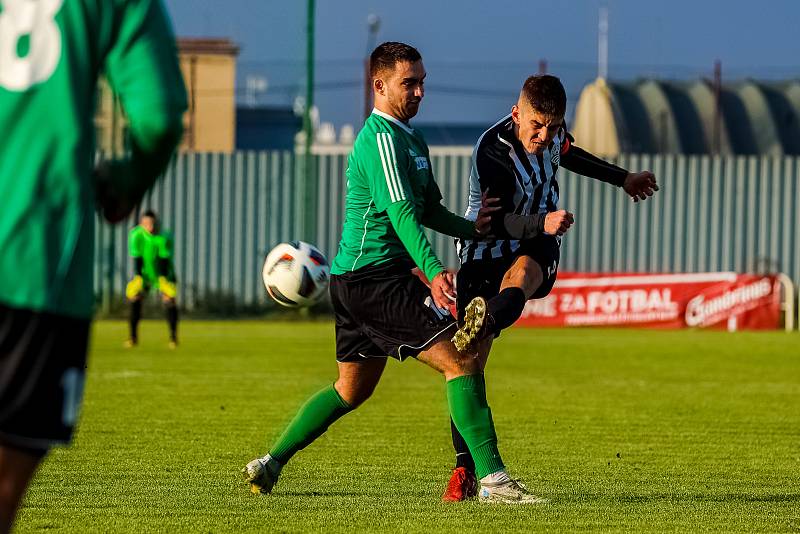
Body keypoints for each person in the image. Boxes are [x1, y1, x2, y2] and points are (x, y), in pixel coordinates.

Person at [242, 42, 545, 504]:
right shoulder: (380, 137)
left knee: (350, 390)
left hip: (357, 282)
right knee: (461, 359)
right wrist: (432, 269)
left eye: (422, 81)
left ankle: (271, 462)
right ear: (379, 85)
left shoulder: (410, 138)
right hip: (374, 279)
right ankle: (493, 480)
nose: (420, 91)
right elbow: (401, 213)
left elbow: (427, 209)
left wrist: (472, 227)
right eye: (409, 83)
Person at [0, 0, 187, 531]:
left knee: (156, 298)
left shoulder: (161, 239)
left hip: (53, 269)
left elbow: (160, 259)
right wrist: (124, 181)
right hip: (32, 261)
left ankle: (163, 334)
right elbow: (158, 117)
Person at [442, 74, 659, 501]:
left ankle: (485, 320)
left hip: (536, 239)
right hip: (483, 247)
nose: (545, 135)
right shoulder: (492, 152)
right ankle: (467, 470)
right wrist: (541, 221)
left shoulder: (554, 137)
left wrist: (623, 178)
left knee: (523, 274)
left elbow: (571, 155)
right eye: (537, 125)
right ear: (516, 114)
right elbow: (497, 221)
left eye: (554, 126)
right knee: (468, 365)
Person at [126, 210, 179, 348]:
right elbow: (136, 257)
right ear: (141, 224)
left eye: (153, 223)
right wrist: (138, 276)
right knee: (135, 298)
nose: (150, 227)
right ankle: (133, 337)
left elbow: (163, 259)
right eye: (147, 224)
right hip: (144, 274)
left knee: (169, 299)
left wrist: (162, 279)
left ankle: (173, 338)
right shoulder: (135, 235)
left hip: (164, 273)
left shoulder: (164, 236)